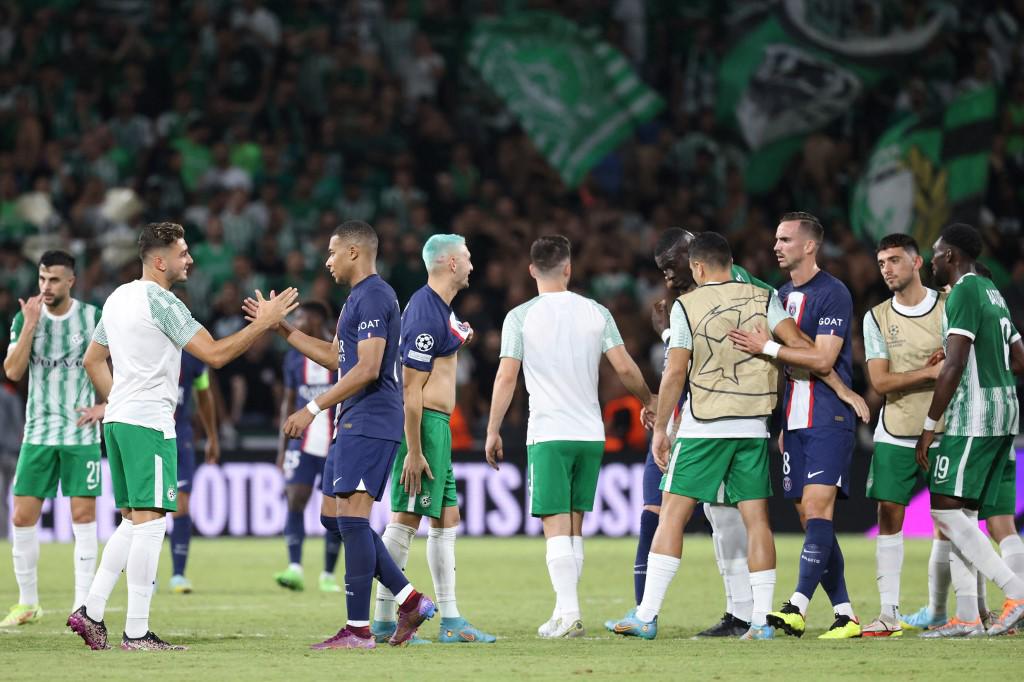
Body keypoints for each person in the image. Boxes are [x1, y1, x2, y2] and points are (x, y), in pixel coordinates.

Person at [611, 231, 866, 641]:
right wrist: (841, 387)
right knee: (757, 521)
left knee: (673, 512)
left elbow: (675, 371)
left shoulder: (687, 307)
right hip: (752, 426)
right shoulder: (765, 297)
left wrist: (662, 428)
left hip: (704, 425)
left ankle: (647, 613)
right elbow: (801, 346)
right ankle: (761, 620)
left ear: (697, 266)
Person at [68, 221, 298, 651]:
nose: (189, 259)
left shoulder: (118, 297)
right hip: (148, 424)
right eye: (183, 252)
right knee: (152, 524)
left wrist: (120, 398)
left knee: (133, 521)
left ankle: (90, 611)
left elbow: (92, 359)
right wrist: (265, 323)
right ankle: (136, 632)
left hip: (119, 421)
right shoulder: (163, 301)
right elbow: (214, 354)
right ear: (160, 261)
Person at [256, 220, 435, 649]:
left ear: (354, 252)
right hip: (352, 419)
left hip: (370, 418)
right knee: (331, 517)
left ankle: (358, 630)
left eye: (333, 252)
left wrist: (312, 407)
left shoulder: (374, 294)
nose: (327, 260)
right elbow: (337, 359)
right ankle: (410, 599)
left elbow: (369, 368)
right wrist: (279, 327)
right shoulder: (356, 299)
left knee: (353, 520)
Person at [485, 234, 657, 639]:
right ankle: (566, 610)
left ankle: (568, 613)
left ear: (531, 270)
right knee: (574, 524)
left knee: (555, 524)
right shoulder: (596, 312)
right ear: (568, 268)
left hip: (549, 432)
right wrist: (649, 400)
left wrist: (493, 427)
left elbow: (507, 375)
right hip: (590, 434)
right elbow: (625, 367)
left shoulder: (520, 317)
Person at [729, 212, 866, 639]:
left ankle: (796, 606)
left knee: (818, 510)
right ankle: (845, 614)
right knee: (811, 520)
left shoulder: (833, 293)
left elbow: (823, 358)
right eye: (776, 238)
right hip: (794, 419)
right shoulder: (780, 295)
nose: (776, 246)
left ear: (809, 246)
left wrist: (767, 346)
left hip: (828, 415)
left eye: (785, 239)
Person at [373, 234, 496, 644]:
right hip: (423, 426)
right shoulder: (426, 310)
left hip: (437, 427)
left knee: (446, 520)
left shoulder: (437, 309)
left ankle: (452, 620)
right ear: (449, 263)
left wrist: (460, 334)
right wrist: (413, 449)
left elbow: (442, 347)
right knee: (405, 521)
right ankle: (384, 619)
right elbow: (411, 389)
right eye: (468, 257)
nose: (473, 265)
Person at [914, 222, 1024, 637]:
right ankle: (967, 617)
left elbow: (954, 365)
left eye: (937, 254)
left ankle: (1016, 592)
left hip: (973, 414)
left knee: (943, 507)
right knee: (965, 512)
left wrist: (929, 426)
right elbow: (1019, 358)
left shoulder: (962, 291)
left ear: (953, 258)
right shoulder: (993, 293)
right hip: (1005, 408)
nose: (932, 261)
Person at [2, 251, 104, 627]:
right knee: (22, 515)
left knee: (83, 515)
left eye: (54, 280)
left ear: (71, 281)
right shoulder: (24, 317)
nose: (46, 286)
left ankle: (82, 607)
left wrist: (106, 405)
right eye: (42, 279)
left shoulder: (92, 317)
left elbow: (120, 363)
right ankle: (28, 602)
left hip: (80, 433)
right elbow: (12, 372)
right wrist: (29, 326)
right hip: (38, 432)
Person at [859, 234, 945, 636]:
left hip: (947, 429)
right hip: (896, 430)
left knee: (950, 522)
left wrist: (908, 376)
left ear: (917, 261)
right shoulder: (876, 317)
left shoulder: (948, 306)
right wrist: (928, 373)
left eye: (894, 260)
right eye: (881, 263)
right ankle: (889, 612)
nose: (887, 269)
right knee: (889, 515)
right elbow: (880, 381)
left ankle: (949, 611)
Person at [272, 301, 342, 594]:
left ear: (316, 318)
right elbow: (288, 401)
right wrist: (281, 448)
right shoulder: (293, 358)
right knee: (295, 498)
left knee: (336, 509)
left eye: (300, 316)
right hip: (302, 444)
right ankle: (295, 568)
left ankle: (327, 573)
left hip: (334, 441)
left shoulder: (339, 353)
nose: (297, 321)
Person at [168, 348, 220, 594]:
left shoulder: (192, 356)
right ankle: (146, 576)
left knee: (181, 504)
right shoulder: (144, 344)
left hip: (179, 437)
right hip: (147, 434)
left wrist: (212, 436)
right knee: (145, 509)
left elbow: (204, 394)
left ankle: (178, 574)